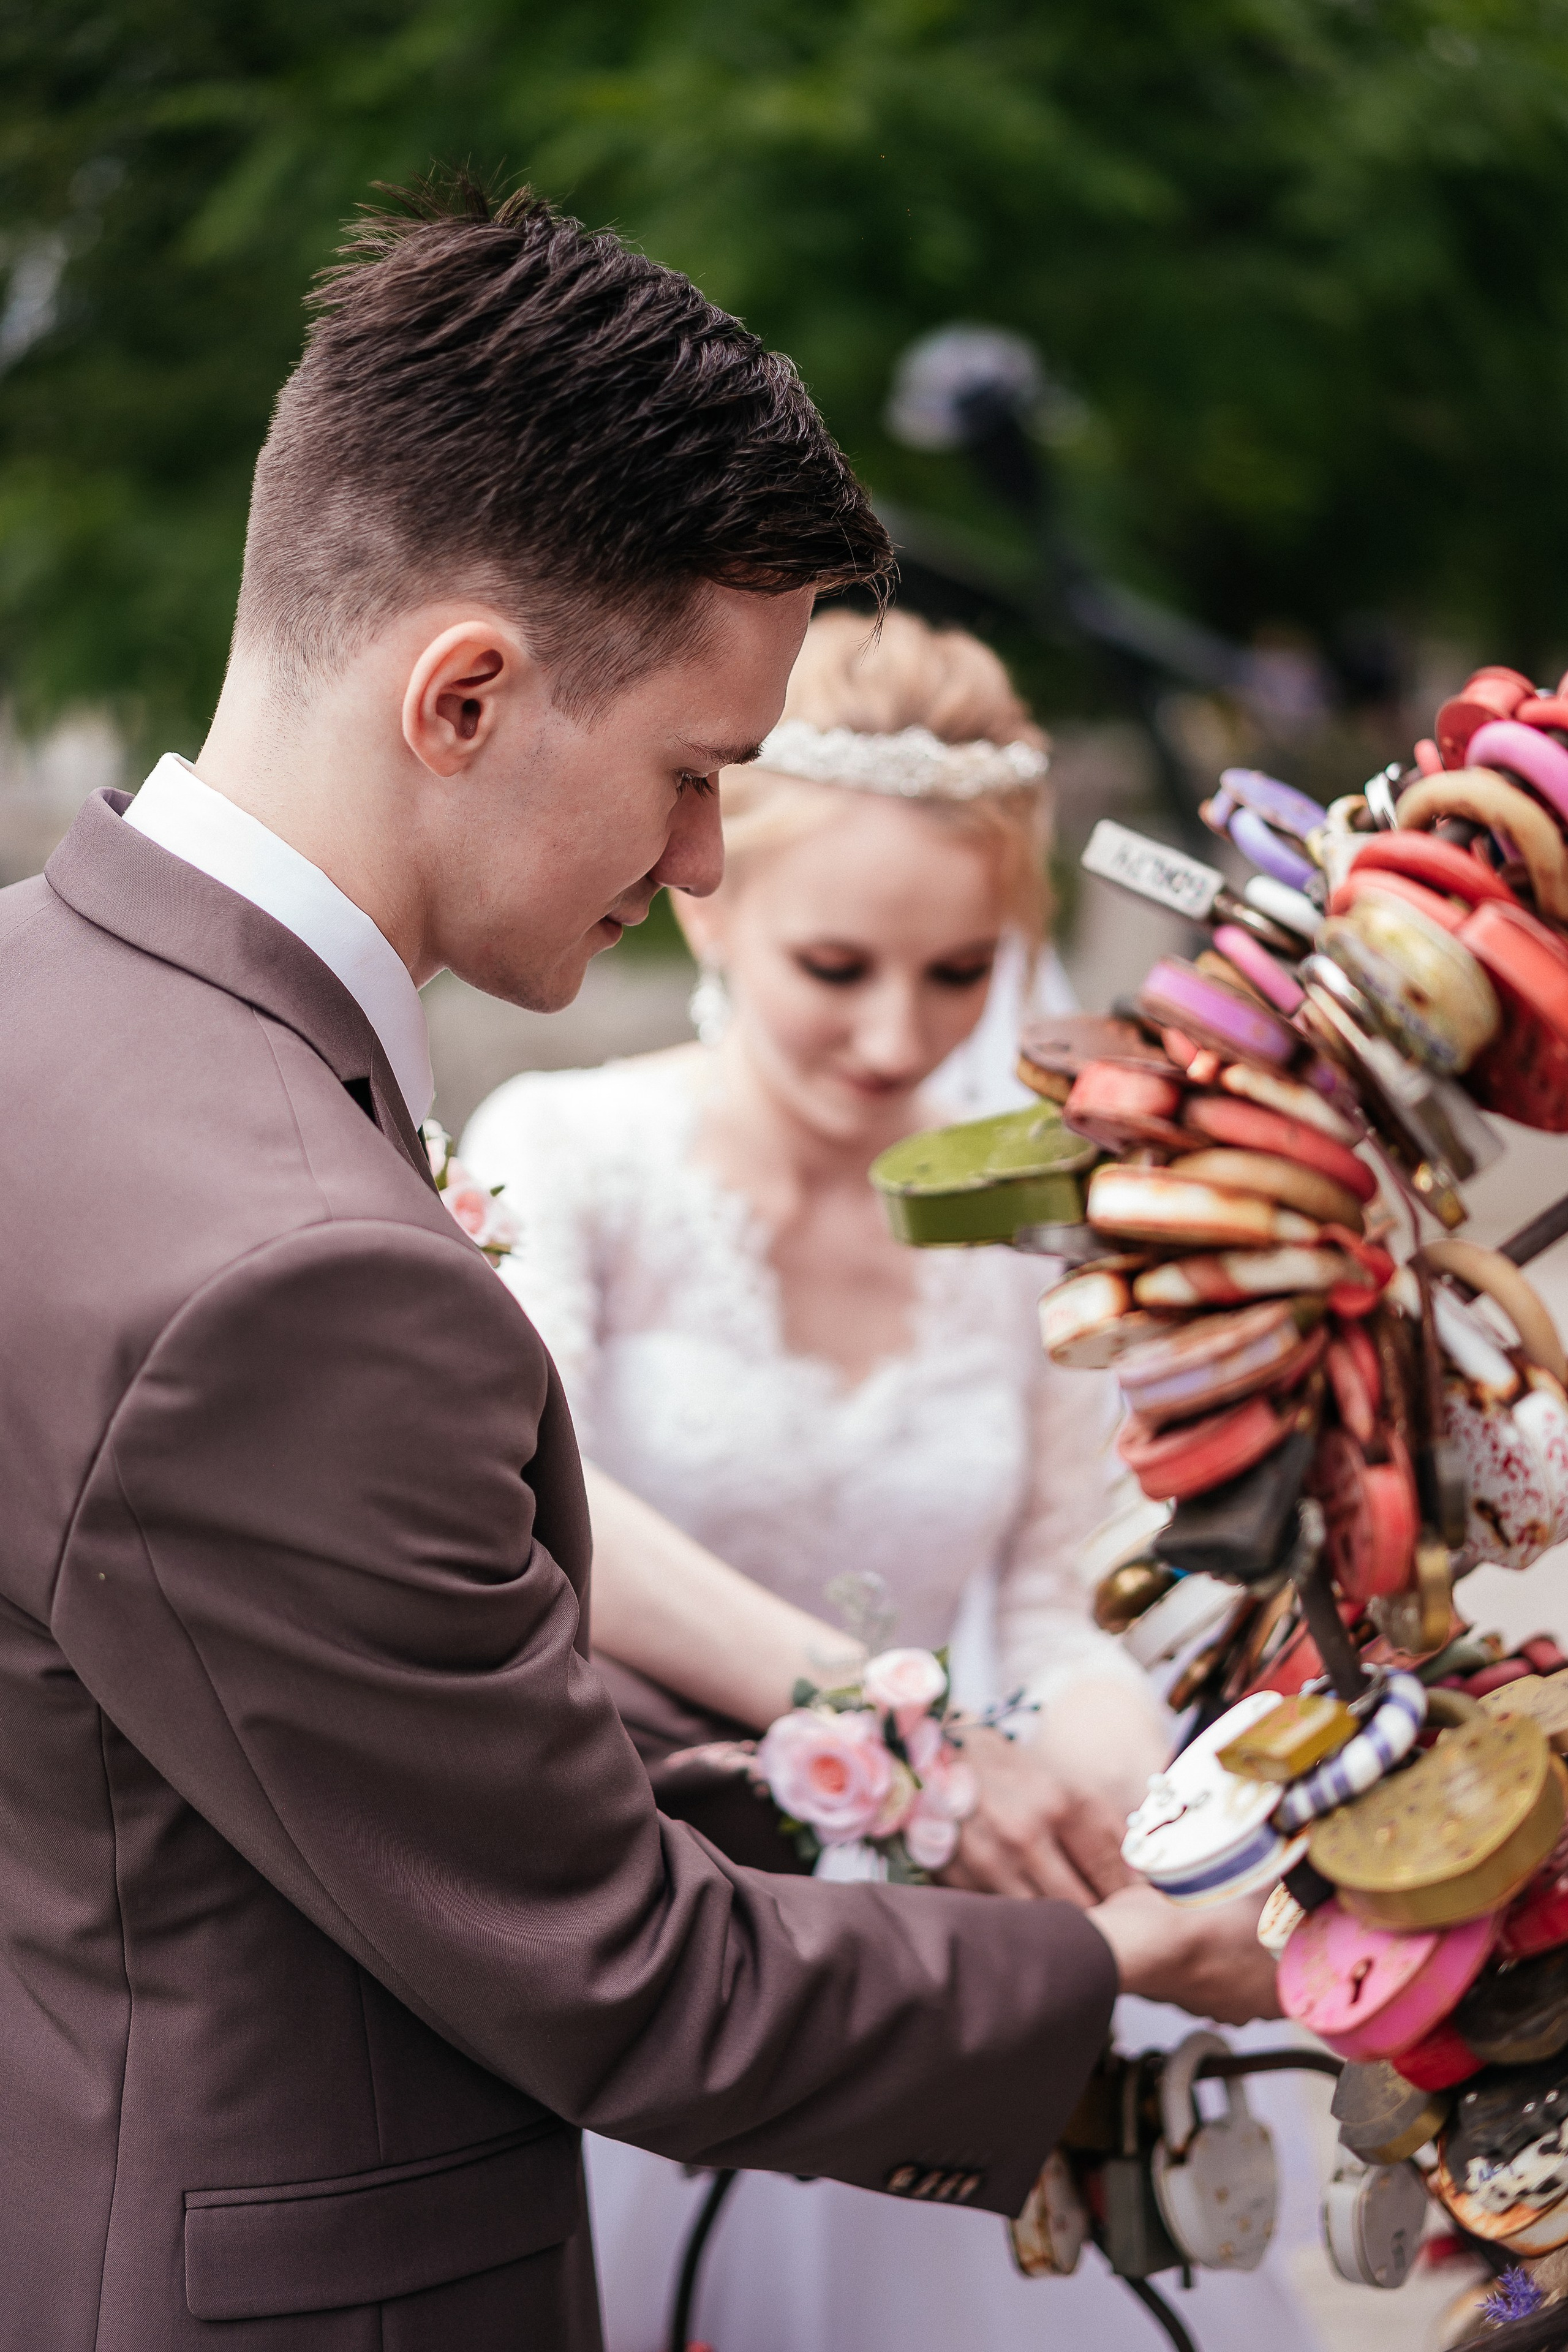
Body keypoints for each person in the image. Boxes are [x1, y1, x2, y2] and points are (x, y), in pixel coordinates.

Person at [0, 180, 1274, 2352]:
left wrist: (838, 1800)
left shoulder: (51, 1001)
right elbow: (626, 1987)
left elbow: (327, 1715)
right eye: (694, 776)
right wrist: (1122, 1963)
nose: (702, 858)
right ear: (466, 694)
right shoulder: (294, 1275)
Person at [463, 611, 1308, 2352]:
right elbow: (537, 1516)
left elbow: (1063, 1583)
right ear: (709, 896)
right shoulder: (569, 1152)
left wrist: (1123, 1790)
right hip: (690, 1933)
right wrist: (916, 1743)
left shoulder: (1017, 1218)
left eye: (957, 976)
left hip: (969, 1931)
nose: (896, 1038)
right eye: (838, 969)